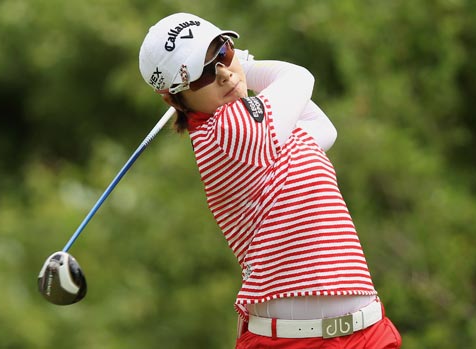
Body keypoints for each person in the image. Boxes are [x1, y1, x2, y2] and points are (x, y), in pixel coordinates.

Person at [139, 12, 402, 349]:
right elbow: (298, 77)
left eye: (222, 52)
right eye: (202, 73)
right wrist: (247, 64)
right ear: (173, 96)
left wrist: (238, 66)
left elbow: (324, 130)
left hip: (367, 332)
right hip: (295, 343)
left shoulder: (264, 131)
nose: (222, 73)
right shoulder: (227, 131)